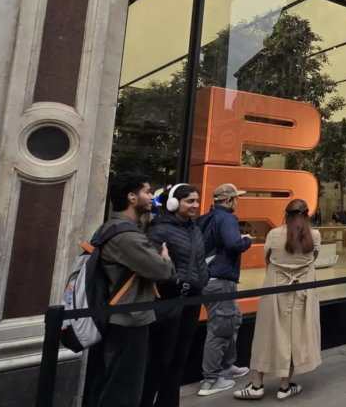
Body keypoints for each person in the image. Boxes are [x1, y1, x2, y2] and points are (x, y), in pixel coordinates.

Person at [86, 173, 175, 407]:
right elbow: (162, 272)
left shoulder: (109, 228)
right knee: (124, 388)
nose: (151, 197)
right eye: (147, 191)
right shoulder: (128, 236)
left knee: (110, 383)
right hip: (129, 318)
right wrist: (166, 258)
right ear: (131, 197)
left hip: (114, 315)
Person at [233, 200, 322, 401]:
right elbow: (313, 258)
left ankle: (257, 385)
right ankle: (284, 386)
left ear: (286, 214)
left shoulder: (274, 235)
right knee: (294, 338)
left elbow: (267, 258)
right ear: (307, 214)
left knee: (266, 335)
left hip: (275, 290)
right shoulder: (314, 236)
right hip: (302, 293)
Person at [140, 184, 208, 407]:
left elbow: (198, 261)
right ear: (173, 203)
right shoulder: (160, 230)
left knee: (178, 361)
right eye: (190, 201)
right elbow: (153, 266)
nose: (195, 205)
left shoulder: (195, 229)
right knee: (160, 361)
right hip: (169, 301)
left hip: (192, 302)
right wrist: (177, 281)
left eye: (197, 200)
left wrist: (203, 279)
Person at [196, 184, 252, 395]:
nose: (237, 202)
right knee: (219, 329)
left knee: (232, 319)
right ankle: (210, 379)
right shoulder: (228, 219)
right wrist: (245, 240)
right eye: (237, 198)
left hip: (209, 280)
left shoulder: (205, 218)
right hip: (220, 280)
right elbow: (233, 245)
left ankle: (227, 366)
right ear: (229, 201)